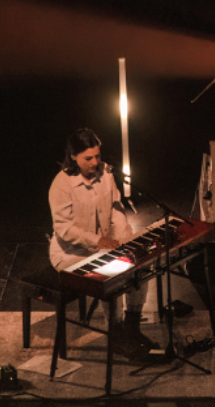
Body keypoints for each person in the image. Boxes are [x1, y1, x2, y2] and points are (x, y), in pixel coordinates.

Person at [48, 128, 152, 359]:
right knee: (111, 272)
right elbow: (64, 230)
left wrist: (125, 239)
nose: (95, 162)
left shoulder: (106, 173)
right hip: (70, 253)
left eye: (97, 155)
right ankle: (115, 333)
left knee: (140, 265)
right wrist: (98, 241)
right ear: (73, 156)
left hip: (104, 245)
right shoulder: (61, 185)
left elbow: (116, 209)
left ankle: (132, 329)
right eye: (88, 158)